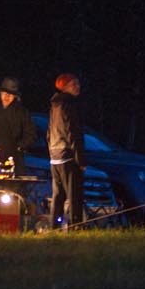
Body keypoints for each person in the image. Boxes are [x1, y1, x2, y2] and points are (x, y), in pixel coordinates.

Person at [47, 72, 84, 230]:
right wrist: (80, 158)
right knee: (74, 195)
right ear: (65, 87)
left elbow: (49, 132)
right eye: (73, 84)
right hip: (68, 155)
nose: (78, 87)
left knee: (58, 195)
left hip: (55, 155)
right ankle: (76, 226)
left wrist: (51, 149)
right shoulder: (69, 104)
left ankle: (54, 226)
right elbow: (72, 132)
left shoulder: (55, 105)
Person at [0, 76, 35, 173]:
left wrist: (19, 146)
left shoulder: (22, 112)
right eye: (5, 93)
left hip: (14, 160)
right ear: (0, 93)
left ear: (15, 96)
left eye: (11, 94)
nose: (7, 96)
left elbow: (30, 134)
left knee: (13, 187)